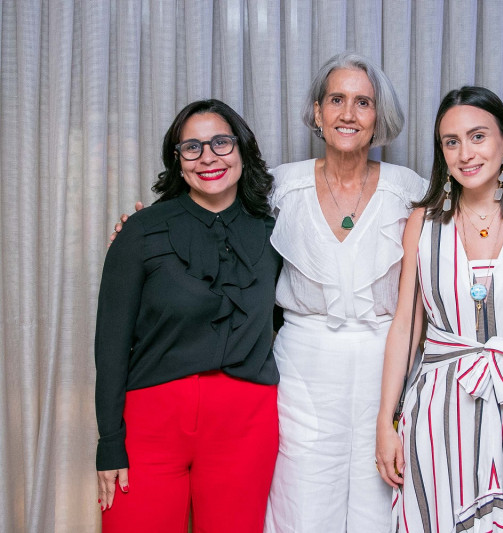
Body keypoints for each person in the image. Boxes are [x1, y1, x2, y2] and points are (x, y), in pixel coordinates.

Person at [376, 86, 503, 533]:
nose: (465, 153)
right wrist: (387, 422)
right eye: (451, 141)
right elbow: (405, 326)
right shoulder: (422, 224)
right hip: (440, 407)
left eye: (478, 136)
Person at [95, 99, 281, 532]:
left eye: (221, 142)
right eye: (192, 148)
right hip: (150, 423)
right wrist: (109, 443)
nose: (209, 157)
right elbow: (110, 342)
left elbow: (296, 319)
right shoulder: (141, 230)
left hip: (246, 424)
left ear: (242, 150)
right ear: (177, 162)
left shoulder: (276, 233)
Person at [263, 52, 428, 532]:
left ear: (379, 118)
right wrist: (142, 230)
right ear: (318, 112)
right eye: (337, 99)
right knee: (303, 498)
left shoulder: (411, 191)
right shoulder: (280, 186)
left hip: (386, 362)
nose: (348, 114)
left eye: (363, 102)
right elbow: (217, 226)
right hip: (303, 368)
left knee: (382, 499)